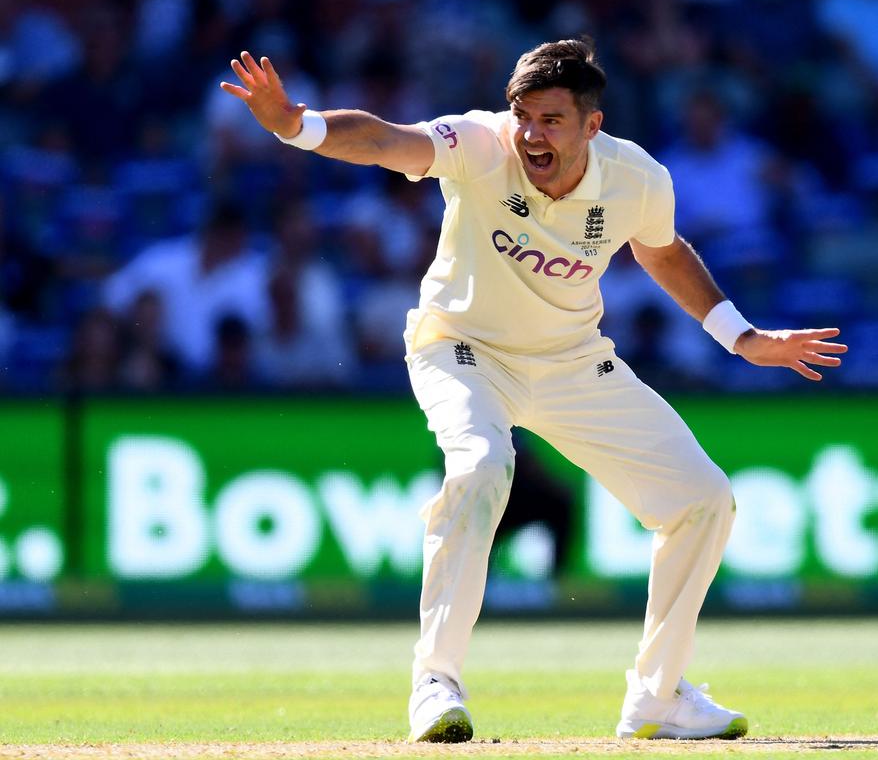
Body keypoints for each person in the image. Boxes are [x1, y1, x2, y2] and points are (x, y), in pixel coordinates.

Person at [221, 39, 846, 743]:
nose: (531, 134)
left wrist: (741, 337)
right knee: (485, 466)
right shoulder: (481, 144)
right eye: (524, 115)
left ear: (592, 126)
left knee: (703, 500)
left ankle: (658, 696)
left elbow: (661, 249)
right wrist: (296, 125)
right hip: (462, 350)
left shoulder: (636, 179)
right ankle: (436, 681)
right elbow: (385, 143)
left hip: (571, 361)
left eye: (551, 119)